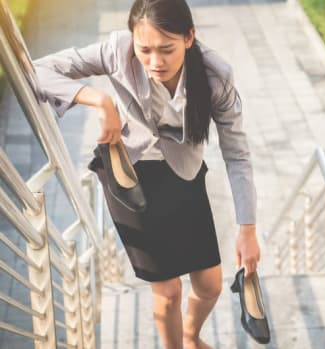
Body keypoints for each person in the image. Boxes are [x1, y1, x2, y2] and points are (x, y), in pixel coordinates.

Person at [33, 0, 260, 348]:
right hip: (128, 171)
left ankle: (190, 335)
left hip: (183, 172)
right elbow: (39, 70)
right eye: (145, 50)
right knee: (168, 291)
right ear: (132, 41)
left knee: (211, 285)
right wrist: (99, 101)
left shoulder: (216, 75)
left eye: (167, 49)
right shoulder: (116, 51)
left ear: (189, 37)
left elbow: (238, 155)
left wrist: (248, 230)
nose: (155, 62)